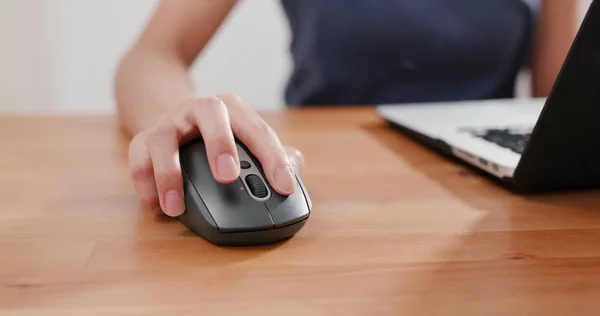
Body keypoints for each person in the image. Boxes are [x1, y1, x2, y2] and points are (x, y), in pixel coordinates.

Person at [114, 0, 576, 217]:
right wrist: (180, 114)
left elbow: (558, 104)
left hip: (488, 204)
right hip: (323, 186)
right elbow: (152, 54)